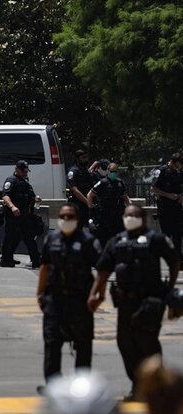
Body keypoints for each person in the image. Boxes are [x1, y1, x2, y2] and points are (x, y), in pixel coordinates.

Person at [88, 205, 180, 401]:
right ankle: (138, 386)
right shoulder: (117, 240)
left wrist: (169, 288)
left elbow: (173, 262)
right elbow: (103, 269)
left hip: (150, 301)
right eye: (128, 215)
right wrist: (96, 293)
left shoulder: (155, 239)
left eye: (135, 215)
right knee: (125, 343)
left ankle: (156, 387)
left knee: (147, 343)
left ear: (144, 218)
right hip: (125, 302)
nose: (131, 218)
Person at [37, 204, 102, 388]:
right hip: (55, 300)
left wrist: (97, 295)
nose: (66, 220)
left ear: (77, 219)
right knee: (52, 343)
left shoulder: (88, 241)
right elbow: (45, 266)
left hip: (80, 300)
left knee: (83, 344)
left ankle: (82, 386)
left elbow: (102, 270)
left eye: (70, 216)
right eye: (63, 216)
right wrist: (39, 293)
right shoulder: (52, 239)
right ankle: (52, 385)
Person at [0, 160, 42, 268]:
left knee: (28, 236)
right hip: (12, 214)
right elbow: (5, 196)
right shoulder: (11, 180)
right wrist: (12, 207)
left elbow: (30, 195)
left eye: (26, 171)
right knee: (9, 236)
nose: (25, 173)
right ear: (17, 169)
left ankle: (36, 260)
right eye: (23, 171)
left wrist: (36, 199)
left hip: (24, 213)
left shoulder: (25, 182)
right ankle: (5, 260)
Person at [87, 163, 130, 247]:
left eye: (115, 171)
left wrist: (131, 207)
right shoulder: (103, 182)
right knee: (104, 240)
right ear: (108, 171)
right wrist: (91, 209)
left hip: (117, 215)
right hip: (105, 216)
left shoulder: (120, 182)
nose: (113, 173)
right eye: (111, 171)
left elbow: (125, 196)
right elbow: (90, 195)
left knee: (119, 239)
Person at [150, 152, 182, 266]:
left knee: (178, 235)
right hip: (165, 209)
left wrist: (180, 197)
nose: (180, 167)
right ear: (173, 162)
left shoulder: (178, 173)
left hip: (177, 209)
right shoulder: (161, 171)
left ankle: (178, 261)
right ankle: (168, 260)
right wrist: (168, 195)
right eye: (179, 164)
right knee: (167, 235)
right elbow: (153, 188)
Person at [67, 150, 97, 227]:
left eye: (86, 157)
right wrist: (87, 201)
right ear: (77, 159)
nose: (86, 159)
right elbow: (74, 190)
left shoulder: (85, 171)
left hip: (86, 206)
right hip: (77, 205)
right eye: (83, 158)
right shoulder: (73, 171)